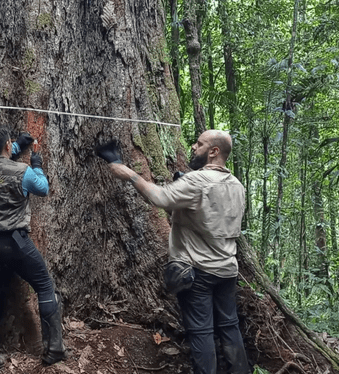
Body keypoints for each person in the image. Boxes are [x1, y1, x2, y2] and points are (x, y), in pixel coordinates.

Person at [107, 130, 250, 374]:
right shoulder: (238, 186)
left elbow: (160, 198)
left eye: (199, 144)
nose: (193, 147)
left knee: (201, 332)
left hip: (198, 273)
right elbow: (207, 216)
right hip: (227, 270)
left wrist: (128, 173)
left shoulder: (197, 181)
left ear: (214, 152)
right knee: (229, 327)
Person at [0, 125, 66, 373]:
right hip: (14, 242)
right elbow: (42, 188)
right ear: (7, 145)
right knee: (44, 286)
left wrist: (16, 146)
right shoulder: (23, 172)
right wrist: (36, 162)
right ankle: (54, 349)